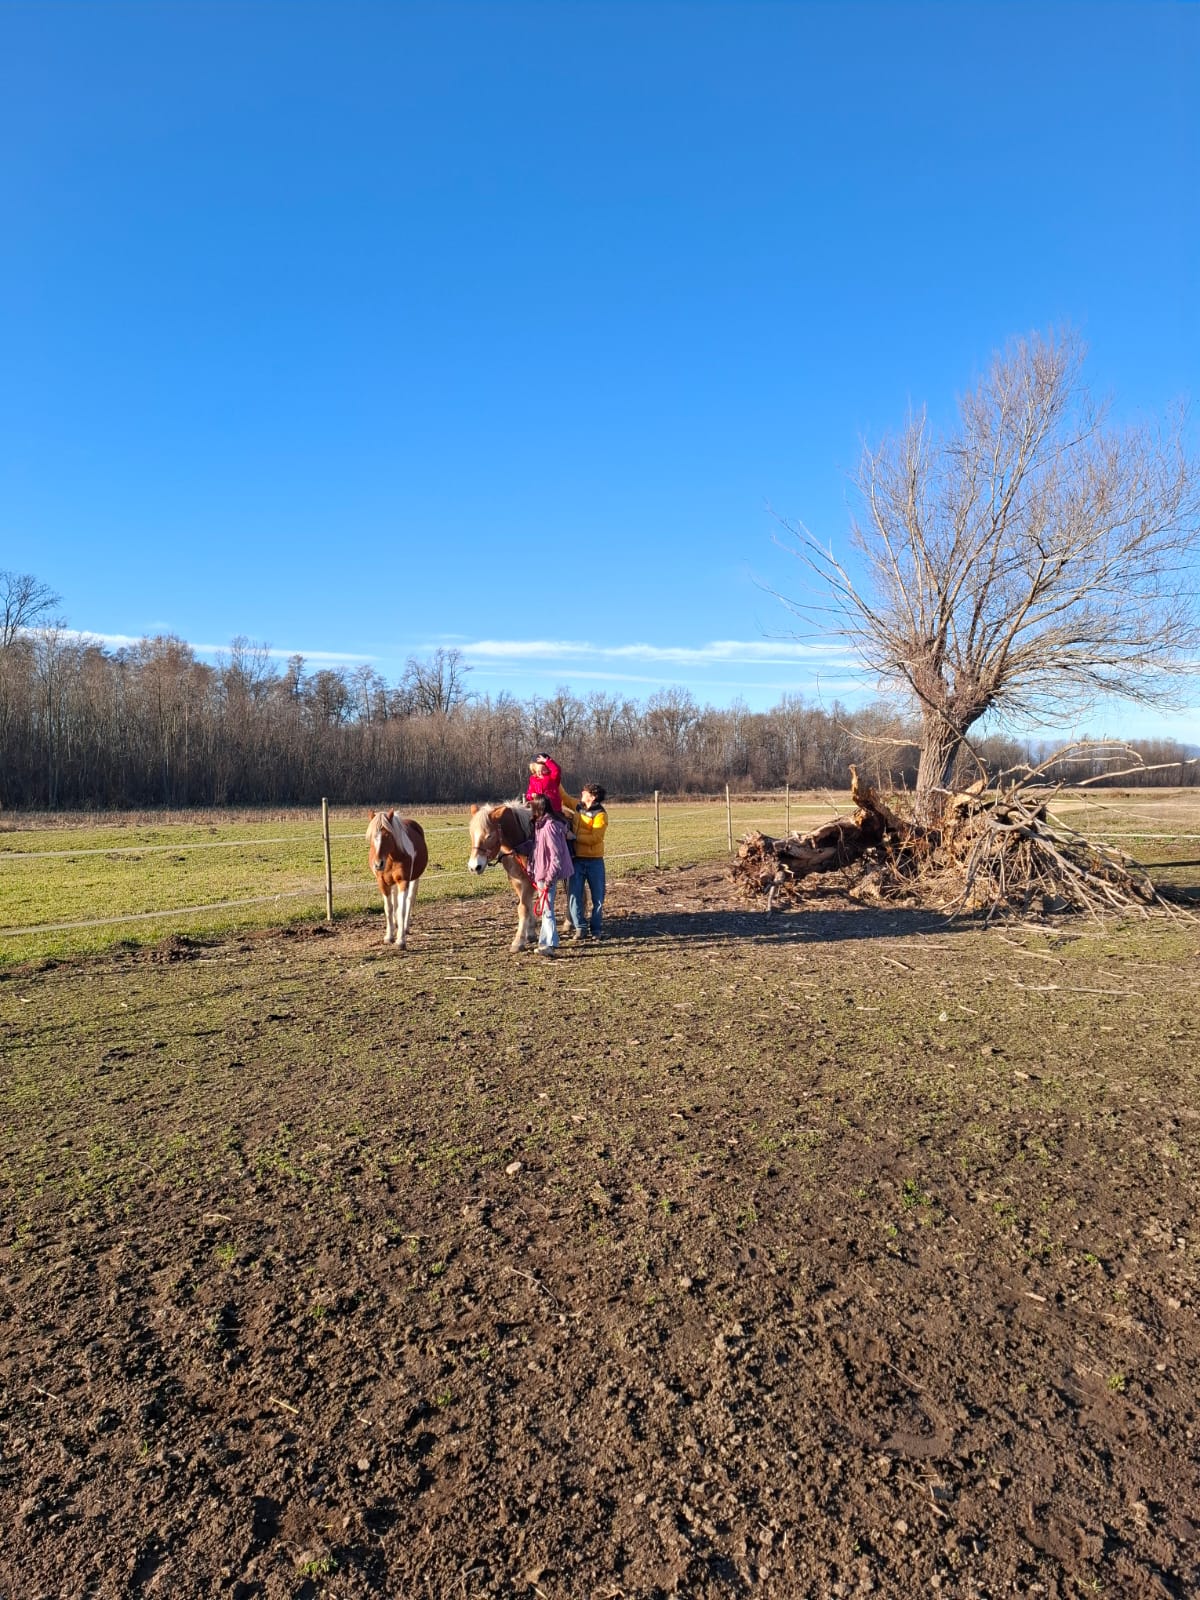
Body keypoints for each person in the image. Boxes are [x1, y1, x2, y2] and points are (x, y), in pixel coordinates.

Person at [528, 793, 574, 955]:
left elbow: (556, 857)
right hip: (541, 872)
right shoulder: (541, 825)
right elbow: (537, 850)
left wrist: (549, 878)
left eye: (531, 808)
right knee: (546, 907)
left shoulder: (549, 827)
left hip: (547, 874)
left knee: (547, 909)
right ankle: (545, 941)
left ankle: (550, 944)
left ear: (538, 809)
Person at [566, 783, 608, 940]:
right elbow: (563, 796)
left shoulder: (601, 815)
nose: (582, 792)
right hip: (577, 860)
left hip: (594, 861)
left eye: (585, 791)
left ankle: (596, 929)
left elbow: (596, 838)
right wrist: (548, 767)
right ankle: (580, 927)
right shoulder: (577, 806)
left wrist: (574, 837)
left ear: (592, 796)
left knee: (598, 897)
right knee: (574, 895)